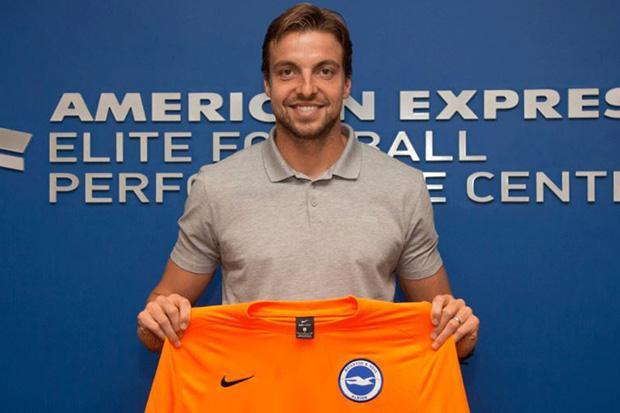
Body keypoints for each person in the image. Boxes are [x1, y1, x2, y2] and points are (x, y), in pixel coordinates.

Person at [137, 3, 479, 360]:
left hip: (360, 388)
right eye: (287, 72)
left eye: (325, 71)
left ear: (346, 84)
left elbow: (449, 337)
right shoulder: (216, 187)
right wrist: (158, 318)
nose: (306, 88)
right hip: (252, 388)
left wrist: (461, 331)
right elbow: (154, 328)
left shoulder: (403, 187)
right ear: (267, 84)